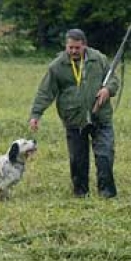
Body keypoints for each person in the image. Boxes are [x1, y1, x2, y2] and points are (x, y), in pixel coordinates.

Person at [29, 29, 119, 198]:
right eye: (70, 47)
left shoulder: (99, 59)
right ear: (66, 46)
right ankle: (81, 193)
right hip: (74, 119)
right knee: (78, 160)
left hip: (100, 117)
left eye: (77, 48)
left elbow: (113, 78)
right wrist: (36, 115)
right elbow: (45, 92)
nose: (73, 51)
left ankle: (107, 194)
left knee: (105, 156)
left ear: (84, 45)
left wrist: (108, 89)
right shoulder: (57, 66)